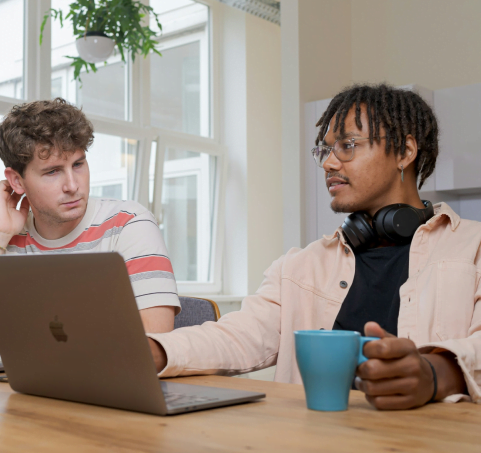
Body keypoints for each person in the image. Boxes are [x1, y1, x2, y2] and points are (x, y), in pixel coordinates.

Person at [147, 83, 481, 410]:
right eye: (325, 150)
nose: (328, 164)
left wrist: (437, 373)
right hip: (315, 452)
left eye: (348, 145)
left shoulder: (473, 248)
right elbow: (236, 336)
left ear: (405, 152)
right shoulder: (297, 267)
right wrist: (154, 351)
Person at [0, 99, 180, 357]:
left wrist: (23, 339)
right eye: (53, 171)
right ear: (17, 180)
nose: (73, 185)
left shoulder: (129, 224)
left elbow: (155, 345)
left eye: (78, 164)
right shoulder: (9, 239)